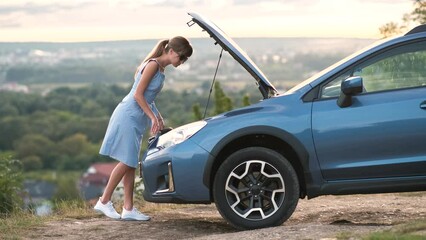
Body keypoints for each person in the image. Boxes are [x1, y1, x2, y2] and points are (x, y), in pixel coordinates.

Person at [94, 36, 193, 221]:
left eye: (185, 59)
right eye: (182, 57)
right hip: (128, 115)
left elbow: (148, 97)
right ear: (171, 51)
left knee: (131, 162)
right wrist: (151, 117)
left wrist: (158, 115)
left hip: (136, 118)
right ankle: (104, 200)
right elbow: (138, 95)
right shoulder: (153, 65)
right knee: (127, 161)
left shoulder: (160, 68)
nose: (182, 61)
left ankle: (128, 208)